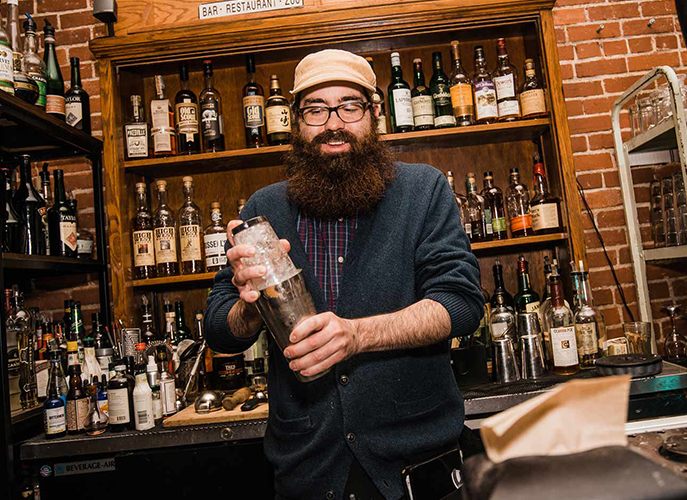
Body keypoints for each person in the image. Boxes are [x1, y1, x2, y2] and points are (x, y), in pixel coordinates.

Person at [204, 49, 483, 500]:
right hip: (309, 473)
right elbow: (221, 329)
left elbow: (462, 304)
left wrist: (357, 335)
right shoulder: (264, 209)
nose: (334, 123)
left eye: (349, 106)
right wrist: (250, 303)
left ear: (375, 114)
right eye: (316, 109)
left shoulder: (424, 190)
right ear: (296, 123)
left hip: (418, 469)